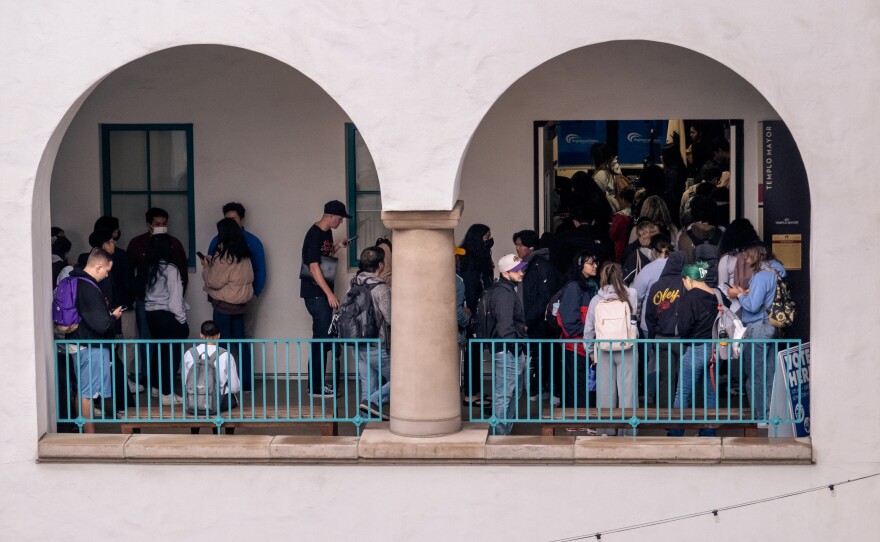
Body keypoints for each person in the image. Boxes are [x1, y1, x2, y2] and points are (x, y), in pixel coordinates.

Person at [727, 242, 786, 425]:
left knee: (755, 374)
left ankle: (761, 417)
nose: (746, 259)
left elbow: (752, 306)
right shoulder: (775, 271)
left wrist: (740, 295)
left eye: (748, 255)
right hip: (771, 326)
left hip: (758, 327)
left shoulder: (761, 277)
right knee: (769, 373)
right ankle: (770, 414)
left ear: (756, 256)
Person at [66, 248, 124, 433]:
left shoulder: (75, 281)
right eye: (106, 271)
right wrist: (113, 317)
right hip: (90, 345)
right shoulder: (89, 288)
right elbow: (100, 324)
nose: (106, 276)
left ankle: (83, 428)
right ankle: (90, 435)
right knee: (88, 392)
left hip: (77, 343)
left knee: (82, 390)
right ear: (98, 267)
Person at [301, 200, 351, 397]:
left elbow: (325, 257)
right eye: (339, 218)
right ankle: (316, 387)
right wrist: (329, 293)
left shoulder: (326, 233)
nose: (340, 222)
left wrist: (338, 246)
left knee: (321, 338)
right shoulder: (313, 234)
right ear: (330, 215)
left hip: (320, 294)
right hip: (315, 294)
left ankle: (316, 385)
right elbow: (313, 266)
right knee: (321, 339)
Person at [583, 262, 638, 432]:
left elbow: (589, 330)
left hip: (603, 348)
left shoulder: (596, 299)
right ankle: (627, 430)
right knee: (627, 391)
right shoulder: (631, 294)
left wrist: (591, 351)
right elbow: (635, 319)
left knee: (605, 392)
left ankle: (606, 429)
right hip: (627, 347)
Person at [667, 262, 720, 437]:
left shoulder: (689, 298)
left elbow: (684, 327)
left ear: (689, 279)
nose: (684, 285)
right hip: (714, 350)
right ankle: (708, 433)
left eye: (684, 281)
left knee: (682, 393)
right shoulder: (716, 296)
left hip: (696, 348)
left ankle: (676, 433)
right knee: (711, 393)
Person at [201, 218, 255, 389]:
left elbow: (213, 281)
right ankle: (246, 382)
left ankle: (222, 383)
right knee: (241, 343)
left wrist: (206, 266)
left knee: (221, 344)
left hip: (224, 306)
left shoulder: (225, 256)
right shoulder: (244, 252)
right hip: (240, 306)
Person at [514, 230, 564, 403]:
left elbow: (544, 298)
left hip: (540, 324)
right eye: (517, 244)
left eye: (520, 245)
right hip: (531, 322)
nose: (517, 248)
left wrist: (527, 321)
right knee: (538, 358)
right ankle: (538, 389)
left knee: (547, 357)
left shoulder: (541, 266)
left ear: (531, 247)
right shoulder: (523, 265)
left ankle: (553, 392)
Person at [140, 234, 190, 404]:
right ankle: (167, 394)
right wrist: (182, 320)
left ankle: (155, 387)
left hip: (151, 315)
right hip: (168, 315)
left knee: (159, 351)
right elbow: (175, 300)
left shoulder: (147, 267)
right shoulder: (170, 269)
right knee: (172, 354)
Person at [483, 254, 529, 435]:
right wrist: (515, 346)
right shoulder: (504, 293)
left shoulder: (505, 290)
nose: (521, 273)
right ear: (505, 273)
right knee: (505, 394)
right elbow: (504, 325)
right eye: (517, 270)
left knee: (512, 393)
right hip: (508, 351)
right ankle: (500, 434)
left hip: (510, 350)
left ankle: (503, 432)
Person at [93, 216, 138, 389]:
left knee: (108, 346)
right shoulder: (121, 256)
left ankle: (110, 381)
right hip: (123, 307)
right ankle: (123, 379)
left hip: (101, 310)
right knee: (128, 343)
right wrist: (128, 300)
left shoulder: (89, 257)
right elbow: (129, 283)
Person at [351, 246, 392, 420]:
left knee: (368, 386)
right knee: (405, 381)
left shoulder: (354, 282)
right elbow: (391, 318)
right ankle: (373, 401)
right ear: (381, 264)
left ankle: (365, 428)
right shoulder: (381, 288)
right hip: (378, 345)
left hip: (358, 344)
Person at [644, 251, 689, 409]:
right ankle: (683, 413)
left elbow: (649, 315)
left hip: (661, 339)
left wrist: (652, 338)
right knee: (684, 377)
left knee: (665, 378)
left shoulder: (657, 286)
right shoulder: (685, 284)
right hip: (681, 339)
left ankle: (665, 415)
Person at [557, 250, 600, 408]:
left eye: (595, 262)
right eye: (590, 263)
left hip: (585, 346)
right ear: (580, 266)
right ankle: (575, 421)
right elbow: (569, 323)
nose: (595, 265)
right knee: (578, 385)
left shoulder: (591, 286)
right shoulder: (574, 287)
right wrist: (593, 331)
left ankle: (581, 420)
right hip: (575, 347)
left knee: (585, 385)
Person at [459, 223, 495, 408]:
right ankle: (470, 395)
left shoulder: (477, 257)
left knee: (476, 352)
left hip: (480, 311)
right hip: (475, 314)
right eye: (487, 236)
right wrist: (472, 311)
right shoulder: (471, 260)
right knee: (473, 353)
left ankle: (475, 392)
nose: (490, 240)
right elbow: (472, 288)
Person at [208, 202, 267, 298]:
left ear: (242, 220)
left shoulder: (252, 242)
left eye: (233, 219)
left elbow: (259, 269)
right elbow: (211, 267)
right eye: (227, 220)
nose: (230, 223)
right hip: (221, 298)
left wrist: (254, 293)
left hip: (243, 297)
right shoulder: (217, 240)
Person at [183, 320, 241, 412]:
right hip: (218, 403)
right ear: (218, 335)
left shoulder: (189, 354)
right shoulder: (226, 355)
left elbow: (185, 382)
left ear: (201, 335)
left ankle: (195, 426)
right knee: (232, 400)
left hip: (193, 402)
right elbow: (235, 387)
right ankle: (219, 426)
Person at [551, 205, 612, 275]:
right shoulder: (604, 239)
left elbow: (555, 262)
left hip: (569, 279)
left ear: (575, 222)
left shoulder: (563, 238)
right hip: (598, 279)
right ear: (593, 222)